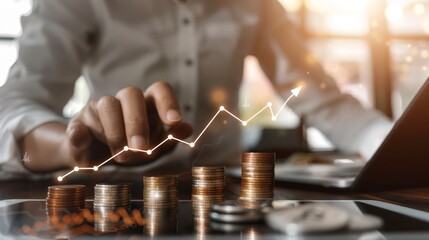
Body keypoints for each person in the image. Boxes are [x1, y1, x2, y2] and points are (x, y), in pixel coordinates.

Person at [0, 0, 393, 180]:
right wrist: (73, 146)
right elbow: (16, 105)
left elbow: (323, 101)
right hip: (115, 202)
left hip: (227, 205)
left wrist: (400, 146)